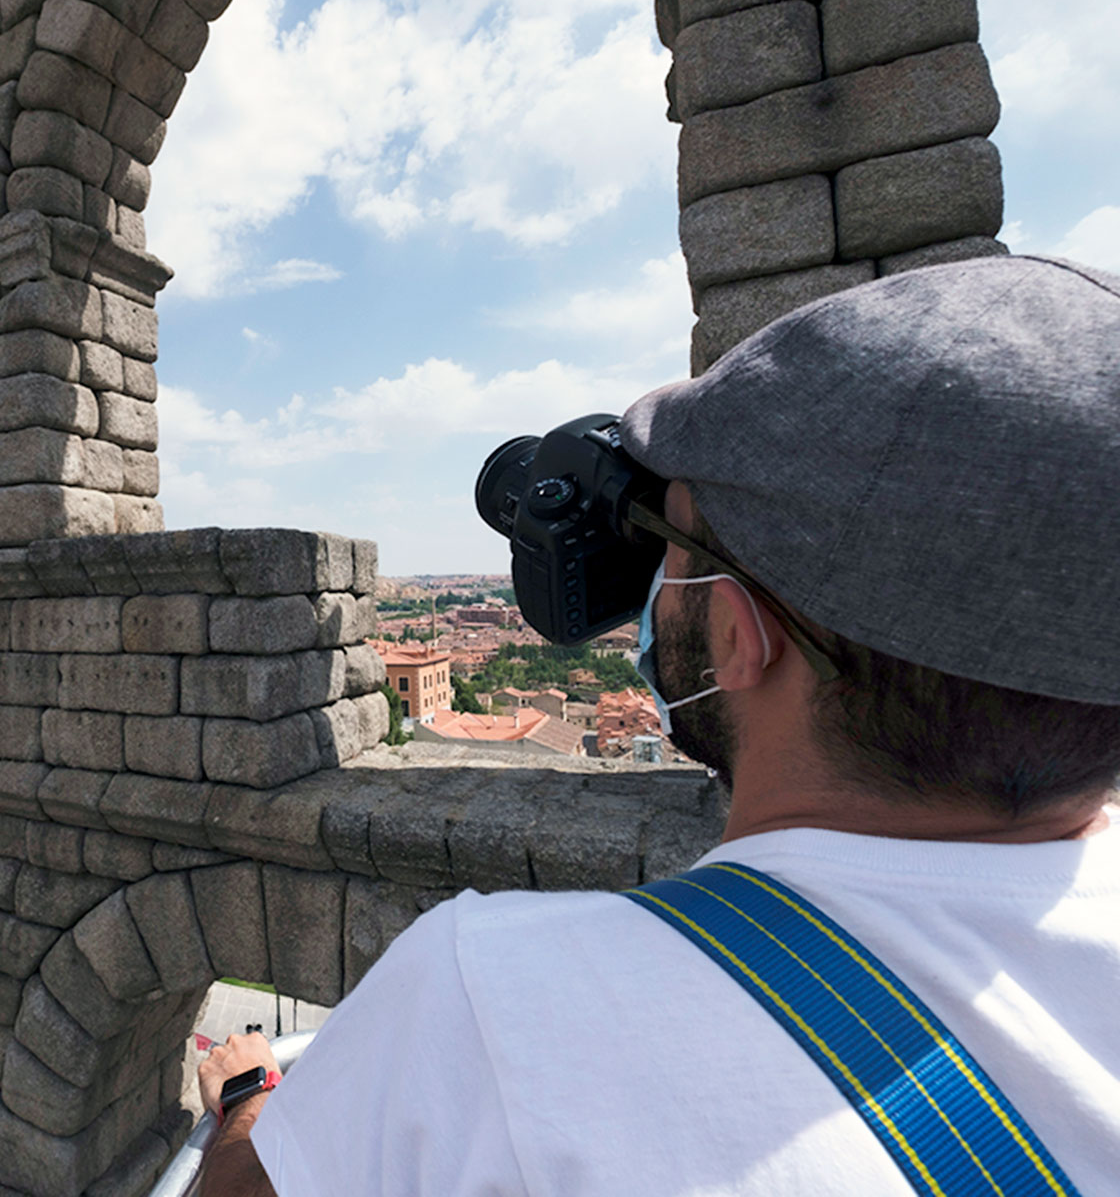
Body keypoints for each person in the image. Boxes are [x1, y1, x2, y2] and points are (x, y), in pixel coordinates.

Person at [192, 256, 1120, 1195]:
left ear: (736, 633)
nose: (654, 579)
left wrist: (248, 1106)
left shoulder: (496, 1006)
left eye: (674, 541)